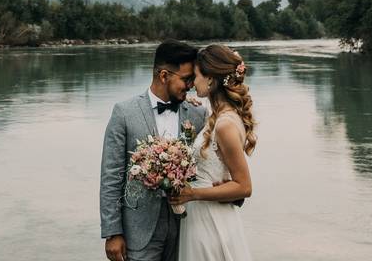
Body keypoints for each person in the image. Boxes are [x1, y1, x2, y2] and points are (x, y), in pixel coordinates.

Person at [100, 40, 208, 261]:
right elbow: (111, 177)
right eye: (186, 79)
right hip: (139, 230)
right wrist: (112, 232)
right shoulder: (124, 113)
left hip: (187, 226)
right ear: (164, 76)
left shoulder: (198, 114)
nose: (191, 85)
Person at [170, 44, 256, 261]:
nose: (191, 83)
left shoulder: (225, 124)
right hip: (204, 215)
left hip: (210, 220)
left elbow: (244, 186)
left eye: (196, 76)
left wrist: (192, 194)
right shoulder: (218, 115)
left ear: (210, 79)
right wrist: (188, 104)